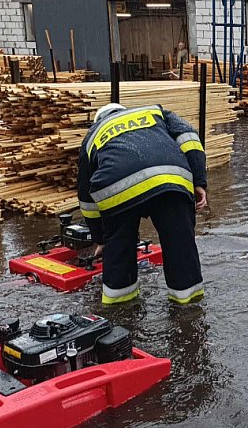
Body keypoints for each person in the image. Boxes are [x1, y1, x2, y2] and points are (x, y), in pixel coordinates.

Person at [77, 103, 208, 304]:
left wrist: (102, 239)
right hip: (169, 179)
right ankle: (189, 308)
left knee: (118, 250)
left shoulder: (93, 134)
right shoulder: (154, 112)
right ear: (123, 110)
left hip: (117, 189)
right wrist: (198, 181)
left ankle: (120, 310)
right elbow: (189, 137)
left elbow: (87, 200)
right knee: (180, 245)